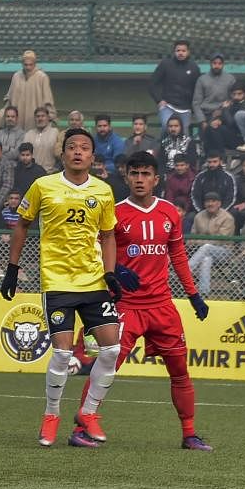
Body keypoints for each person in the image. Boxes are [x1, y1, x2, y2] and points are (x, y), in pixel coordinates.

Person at [68, 152, 212, 450]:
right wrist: (116, 270)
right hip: (126, 306)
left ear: (156, 179)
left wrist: (194, 294)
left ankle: (189, 433)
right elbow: (92, 250)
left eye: (146, 174)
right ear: (127, 177)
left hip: (162, 306)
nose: (140, 179)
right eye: (134, 173)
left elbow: (179, 256)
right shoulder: (114, 212)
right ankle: (81, 427)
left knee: (180, 370)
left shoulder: (170, 212)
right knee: (106, 365)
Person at [0, 127, 124, 447]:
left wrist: (110, 274)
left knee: (111, 349)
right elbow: (22, 224)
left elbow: (108, 234)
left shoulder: (104, 191)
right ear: (63, 154)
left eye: (84, 148)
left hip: (94, 281)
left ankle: (89, 412)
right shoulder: (43, 186)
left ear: (93, 157)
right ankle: (51, 414)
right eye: (72, 147)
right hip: (57, 281)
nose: (78, 152)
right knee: (62, 353)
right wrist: (12, 270)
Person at [188, 192, 235, 296]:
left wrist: (200, 242)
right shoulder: (199, 216)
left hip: (223, 252)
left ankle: (186, 271)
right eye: (208, 201)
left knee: (207, 247)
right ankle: (204, 293)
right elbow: (191, 238)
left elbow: (220, 240)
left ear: (219, 203)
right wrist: (199, 242)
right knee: (206, 259)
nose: (210, 204)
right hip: (201, 253)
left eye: (213, 201)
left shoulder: (227, 218)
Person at [148, 39, 200, 131]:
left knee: (183, 133)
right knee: (166, 127)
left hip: (185, 108)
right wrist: (159, 100)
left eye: (183, 51)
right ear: (174, 52)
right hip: (168, 106)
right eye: (178, 50)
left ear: (188, 52)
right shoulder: (165, 64)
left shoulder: (194, 67)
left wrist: (193, 107)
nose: (180, 53)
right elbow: (153, 83)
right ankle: (164, 146)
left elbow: (198, 89)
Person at [1, 50, 55, 131]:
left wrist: (51, 115)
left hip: (34, 118)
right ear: (22, 64)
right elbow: (10, 97)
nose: (28, 67)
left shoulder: (42, 77)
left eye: (30, 65)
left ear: (35, 64)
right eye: (26, 65)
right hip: (18, 117)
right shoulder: (16, 76)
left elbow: (48, 99)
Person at [192, 53, 235, 128]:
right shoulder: (202, 79)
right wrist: (202, 121)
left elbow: (233, 98)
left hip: (224, 115)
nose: (217, 66)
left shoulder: (230, 79)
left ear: (223, 64)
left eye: (219, 63)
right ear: (210, 64)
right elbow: (196, 103)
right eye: (214, 63)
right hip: (207, 115)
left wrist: (223, 110)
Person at [22, 107, 59, 172]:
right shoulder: (28, 134)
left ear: (48, 118)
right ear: (35, 119)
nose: (40, 118)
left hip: (49, 172)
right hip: (31, 172)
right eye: (38, 116)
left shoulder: (55, 132)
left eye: (43, 116)